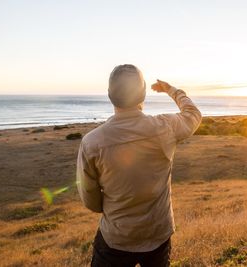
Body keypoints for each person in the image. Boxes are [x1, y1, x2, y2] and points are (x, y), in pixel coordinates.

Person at [76, 64, 202, 267]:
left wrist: (112, 210)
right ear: (143, 93)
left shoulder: (92, 142)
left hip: (116, 237)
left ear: (109, 95)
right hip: (157, 234)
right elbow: (193, 114)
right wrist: (171, 90)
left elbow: (90, 199)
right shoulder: (165, 128)